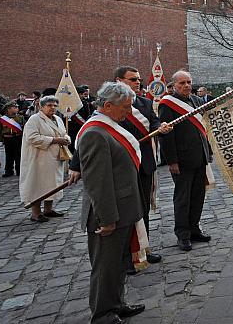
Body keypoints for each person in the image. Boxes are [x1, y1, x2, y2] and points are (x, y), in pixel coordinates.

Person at [75, 81, 146, 323]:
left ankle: (116, 303)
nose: (129, 112)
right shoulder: (95, 133)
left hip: (123, 208)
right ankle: (103, 313)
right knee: (105, 266)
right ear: (107, 105)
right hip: (108, 213)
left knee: (117, 263)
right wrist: (107, 218)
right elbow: (98, 182)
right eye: (125, 107)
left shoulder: (110, 126)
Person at [158, 71, 212, 252]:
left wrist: (208, 152)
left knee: (198, 196)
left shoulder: (196, 100)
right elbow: (166, 136)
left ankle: (194, 228)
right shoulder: (167, 104)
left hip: (200, 157)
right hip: (182, 159)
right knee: (183, 199)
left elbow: (203, 129)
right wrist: (172, 161)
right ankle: (183, 234)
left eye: (189, 82)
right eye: (182, 83)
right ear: (173, 85)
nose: (187, 85)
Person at [19, 95, 69, 222]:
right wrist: (54, 140)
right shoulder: (34, 120)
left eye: (54, 105)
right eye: (49, 105)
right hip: (38, 158)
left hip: (54, 158)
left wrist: (66, 139)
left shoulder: (57, 118)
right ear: (41, 107)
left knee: (51, 184)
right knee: (37, 183)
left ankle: (48, 209)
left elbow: (63, 133)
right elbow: (32, 138)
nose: (52, 108)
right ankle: (36, 213)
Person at [0, 101, 25, 177]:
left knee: (18, 155)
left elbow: (24, 129)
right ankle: (8, 171)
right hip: (7, 139)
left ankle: (19, 170)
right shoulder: (2, 119)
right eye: (15, 107)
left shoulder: (20, 117)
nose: (17, 109)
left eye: (17, 107)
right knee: (9, 155)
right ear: (8, 109)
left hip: (17, 138)